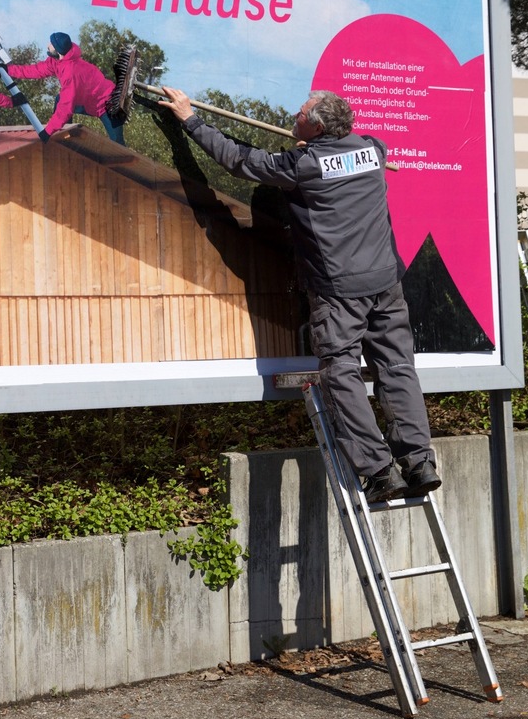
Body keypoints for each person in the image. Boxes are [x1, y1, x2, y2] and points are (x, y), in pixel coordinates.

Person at [157, 85, 440, 504]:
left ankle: (379, 472)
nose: (295, 112)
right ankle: (419, 463)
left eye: (302, 111)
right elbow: (351, 152)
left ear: (317, 125)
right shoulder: (372, 148)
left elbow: (240, 161)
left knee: (340, 370)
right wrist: (317, 147)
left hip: (340, 289)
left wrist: (190, 119)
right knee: (397, 367)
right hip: (385, 282)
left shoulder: (305, 164)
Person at [6, 32, 126, 144]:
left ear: (58, 51)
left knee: (118, 144)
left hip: (109, 104)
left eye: (51, 44)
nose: (48, 45)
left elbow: (66, 106)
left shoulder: (71, 72)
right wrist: (9, 70)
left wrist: (48, 131)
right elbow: (36, 70)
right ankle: (65, 138)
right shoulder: (57, 60)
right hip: (88, 101)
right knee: (59, 99)